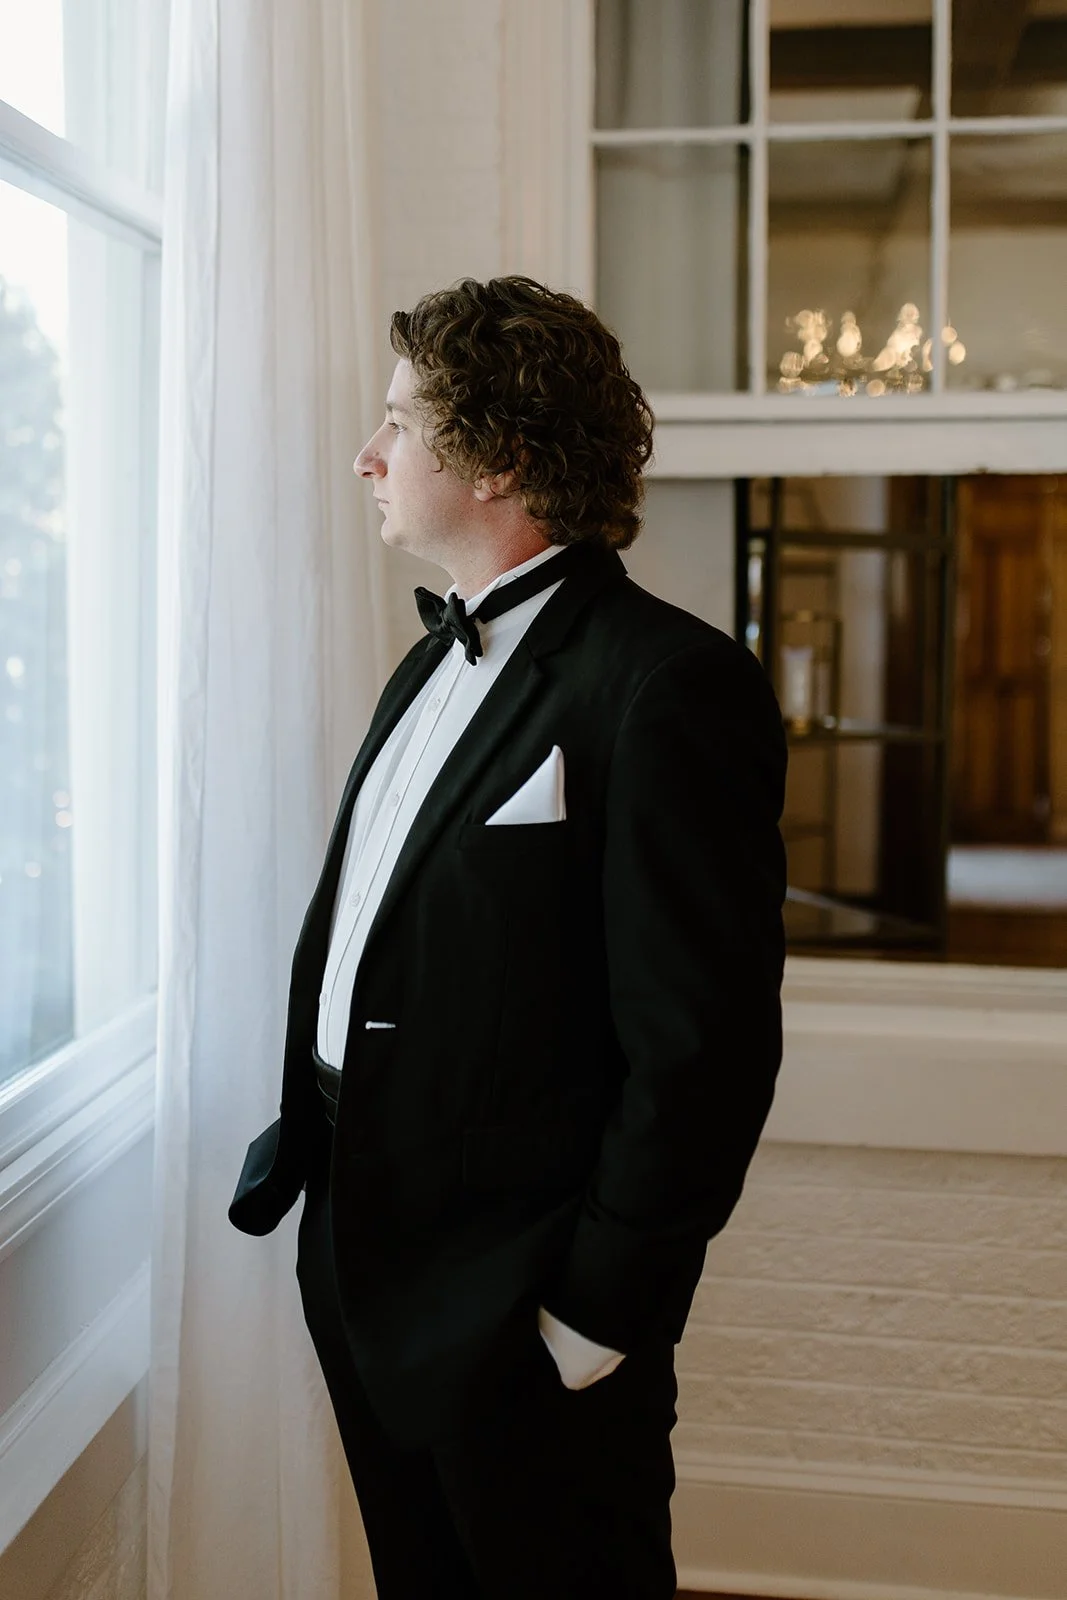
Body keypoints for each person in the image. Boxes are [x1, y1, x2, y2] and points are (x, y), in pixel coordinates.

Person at [229, 274, 787, 1599]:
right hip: (364, 1244)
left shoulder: (667, 685)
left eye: (399, 426)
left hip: (522, 1296)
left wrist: (591, 1317)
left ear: (504, 459)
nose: (367, 456)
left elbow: (699, 1047)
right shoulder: (428, 663)